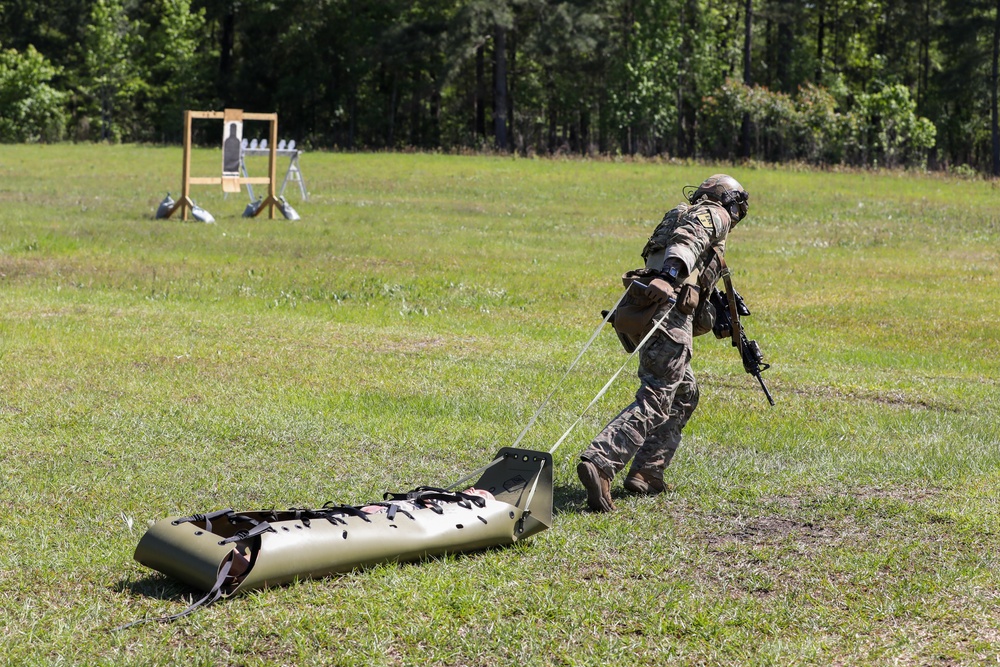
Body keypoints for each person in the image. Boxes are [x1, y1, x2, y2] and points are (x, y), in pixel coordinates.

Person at [577, 174, 751, 512]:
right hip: (668, 313)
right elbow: (688, 242)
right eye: (738, 205)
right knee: (657, 395)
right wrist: (671, 277)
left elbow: (689, 257)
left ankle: (647, 471)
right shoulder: (713, 214)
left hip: (649, 309)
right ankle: (601, 462)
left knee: (685, 394)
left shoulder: (680, 213)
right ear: (727, 199)